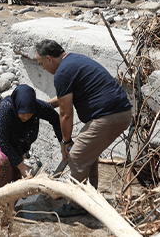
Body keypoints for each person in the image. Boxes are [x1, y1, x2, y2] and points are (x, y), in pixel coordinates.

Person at [35, 39, 133, 217]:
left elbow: (66, 114)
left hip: (108, 116)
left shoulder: (62, 73)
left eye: (41, 63)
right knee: (88, 153)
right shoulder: (73, 60)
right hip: (119, 112)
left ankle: (78, 205)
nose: (42, 68)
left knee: (77, 155)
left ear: (49, 59)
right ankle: (90, 197)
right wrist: (43, 106)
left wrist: (66, 141)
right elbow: (65, 97)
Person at [0, 84, 63, 190]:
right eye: (23, 114)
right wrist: (21, 165)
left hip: (14, 146)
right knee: (2, 162)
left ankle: (10, 205)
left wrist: (63, 142)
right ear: (17, 107)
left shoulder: (37, 107)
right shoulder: (6, 109)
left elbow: (56, 119)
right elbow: (2, 141)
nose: (26, 117)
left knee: (14, 182)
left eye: (29, 114)